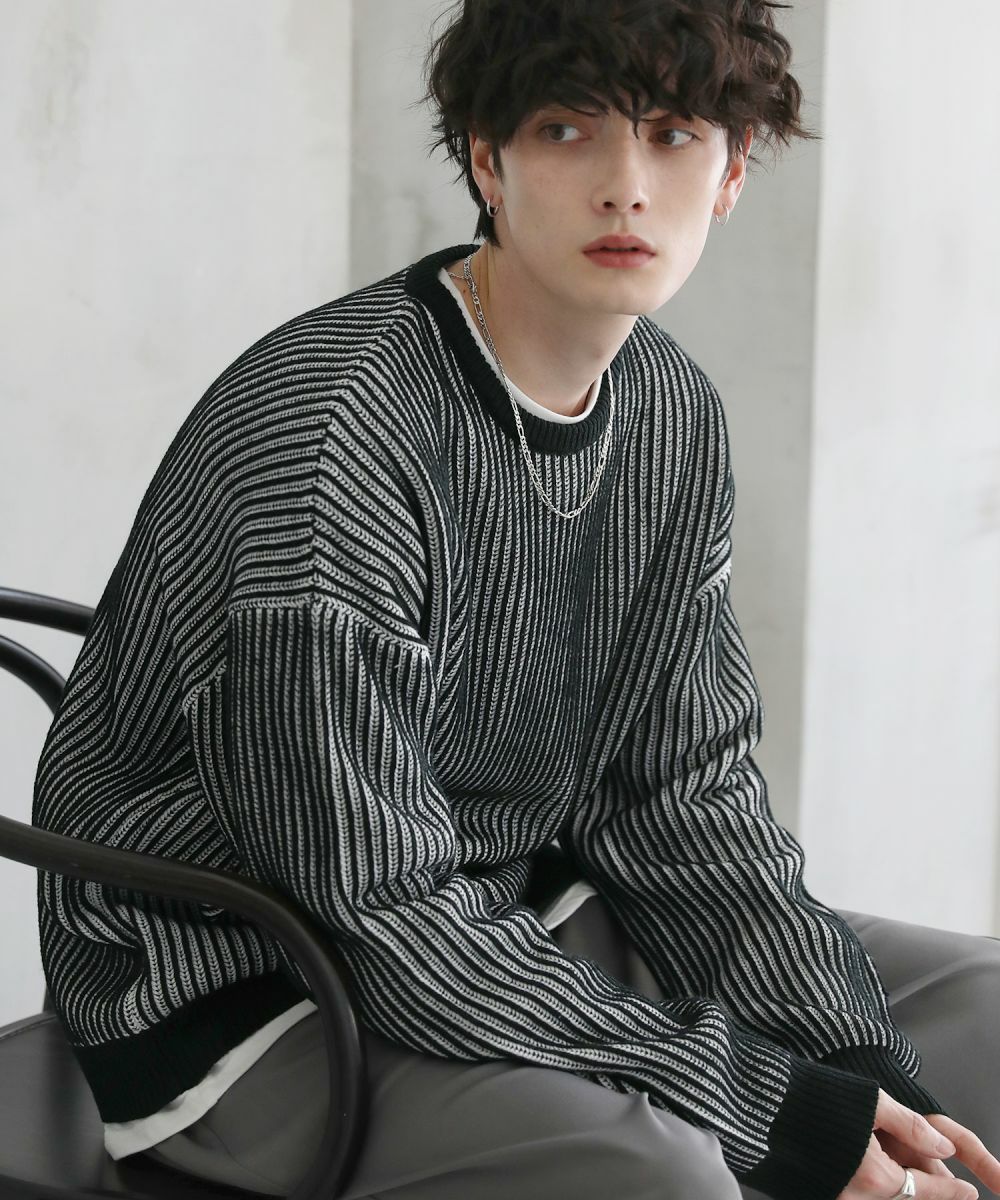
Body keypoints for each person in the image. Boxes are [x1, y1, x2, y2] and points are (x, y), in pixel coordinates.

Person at [31, 2, 1000, 1198]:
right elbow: (376, 907)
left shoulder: (670, 414)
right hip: (252, 995)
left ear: (733, 172)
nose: (625, 186)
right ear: (487, 161)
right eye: (565, 130)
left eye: (673, 135)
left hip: (511, 913)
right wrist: (774, 1111)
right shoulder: (337, 431)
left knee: (975, 1019)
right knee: (669, 1174)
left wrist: (858, 1072)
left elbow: (682, 798)